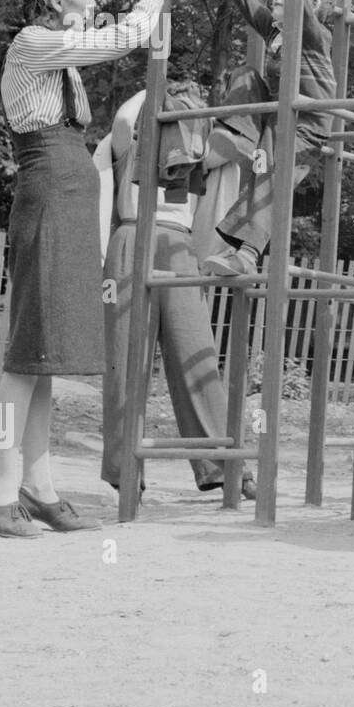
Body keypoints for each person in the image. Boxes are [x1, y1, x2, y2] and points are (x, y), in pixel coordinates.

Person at [0, 0, 191, 537]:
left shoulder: (61, 58)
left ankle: (38, 485)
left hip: (70, 192)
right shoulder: (32, 43)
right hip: (47, 189)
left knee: (47, 355)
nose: (94, 2)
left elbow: (123, 40)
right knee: (26, 355)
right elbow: (123, 36)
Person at [100, 85, 256, 501]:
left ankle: (223, 463)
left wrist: (198, 114)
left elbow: (241, 137)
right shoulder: (133, 141)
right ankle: (123, 468)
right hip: (133, 236)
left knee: (196, 352)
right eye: (175, 110)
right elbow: (122, 120)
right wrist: (156, 86)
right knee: (124, 357)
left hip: (179, 244)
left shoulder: (201, 148)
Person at [202, 0, 337, 275]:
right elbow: (246, 3)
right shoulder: (276, 32)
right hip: (279, 115)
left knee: (270, 181)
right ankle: (239, 137)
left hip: (308, 124)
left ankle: (246, 254)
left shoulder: (314, 33)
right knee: (247, 73)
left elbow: (295, 0)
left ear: (311, 4)